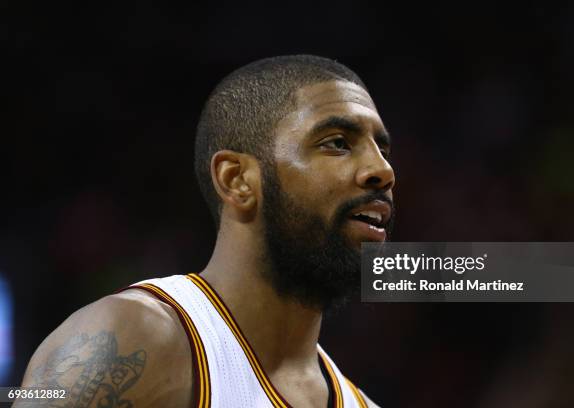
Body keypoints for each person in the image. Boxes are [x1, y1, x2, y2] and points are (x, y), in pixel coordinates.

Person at [18, 55, 394, 408]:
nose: (383, 171)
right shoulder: (132, 338)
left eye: (382, 149)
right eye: (338, 144)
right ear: (237, 180)